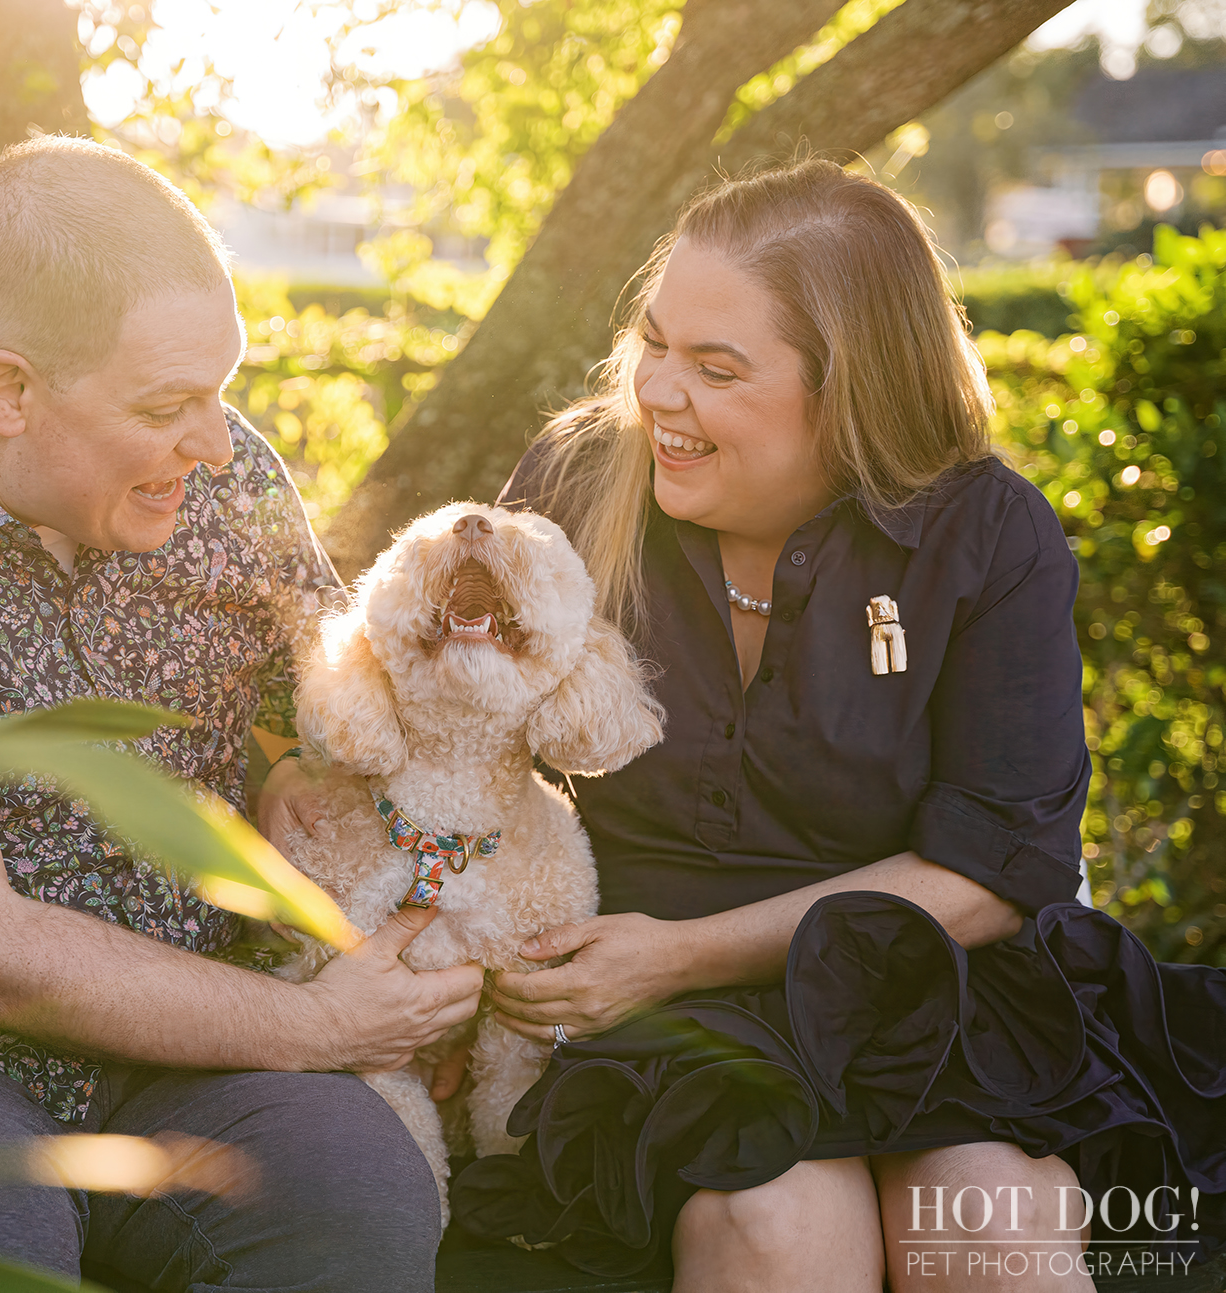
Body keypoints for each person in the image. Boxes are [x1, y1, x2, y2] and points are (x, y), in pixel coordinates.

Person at [0, 135, 483, 1292]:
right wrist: (321, 1028)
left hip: (199, 1039)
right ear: (7, 389)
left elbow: (338, 726)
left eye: (221, 393)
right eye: (167, 405)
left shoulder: (213, 473)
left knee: (353, 1202)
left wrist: (431, 954)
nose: (214, 444)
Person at [457, 159, 1226, 1291]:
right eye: (655, 344)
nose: (659, 394)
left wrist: (676, 957)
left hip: (926, 987)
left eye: (716, 369)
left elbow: (992, 872)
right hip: (665, 1018)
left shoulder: (983, 533)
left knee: (991, 1231)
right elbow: (448, 729)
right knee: (772, 1226)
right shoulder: (574, 484)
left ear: (848, 389)